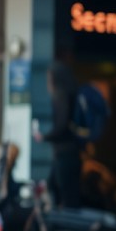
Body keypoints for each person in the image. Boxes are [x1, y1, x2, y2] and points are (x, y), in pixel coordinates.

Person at [33, 63, 84, 209]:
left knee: (64, 192)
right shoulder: (70, 94)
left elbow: (61, 126)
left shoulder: (61, 96)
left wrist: (44, 137)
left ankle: (65, 224)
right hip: (68, 152)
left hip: (65, 153)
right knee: (58, 188)